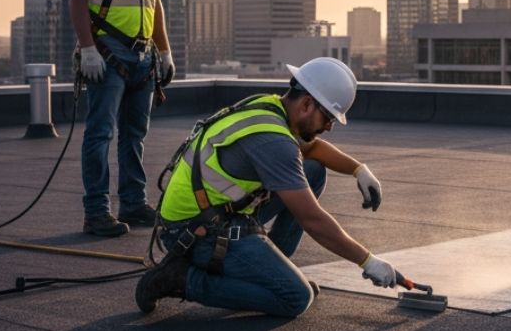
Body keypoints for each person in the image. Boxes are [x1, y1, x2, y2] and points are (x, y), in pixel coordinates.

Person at [135, 57, 402, 317]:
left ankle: (272, 267)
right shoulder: (273, 142)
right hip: (194, 231)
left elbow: (313, 149)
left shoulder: (271, 107)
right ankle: (182, 279)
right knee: (295, 297)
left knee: (313, 171)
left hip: (215, 211)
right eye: (329, 118)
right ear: (307, 104)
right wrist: (368, 262)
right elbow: (313, 220)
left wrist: (358, 169)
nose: (330, 127)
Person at [69, 0, 175, 238]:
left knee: (134, 135)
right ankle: (96, 211)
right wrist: (87, 49)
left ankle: (133, 202)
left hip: (143, 58)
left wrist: (164, 49)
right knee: (99, 133)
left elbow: (153, 2)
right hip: (107, 53)